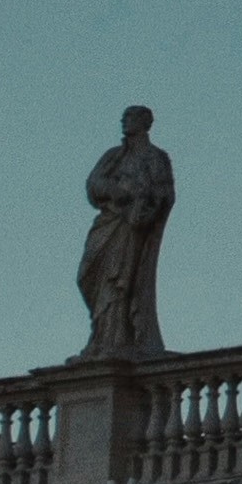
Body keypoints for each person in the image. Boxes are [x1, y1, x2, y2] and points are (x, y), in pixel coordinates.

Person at [76, 108, 176, 363]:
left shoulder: (155, 157)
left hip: (131, 226)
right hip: (108, 222)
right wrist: (113, 190)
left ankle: (116, 340)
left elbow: (164, 193)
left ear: (145, 123)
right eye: (124, 117)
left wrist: (142, 206)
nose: (124, 121)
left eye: (130, 117)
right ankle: (101, 337)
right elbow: (93, 183)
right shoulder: (114, 155)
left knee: (119, 279)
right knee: (87, 275)